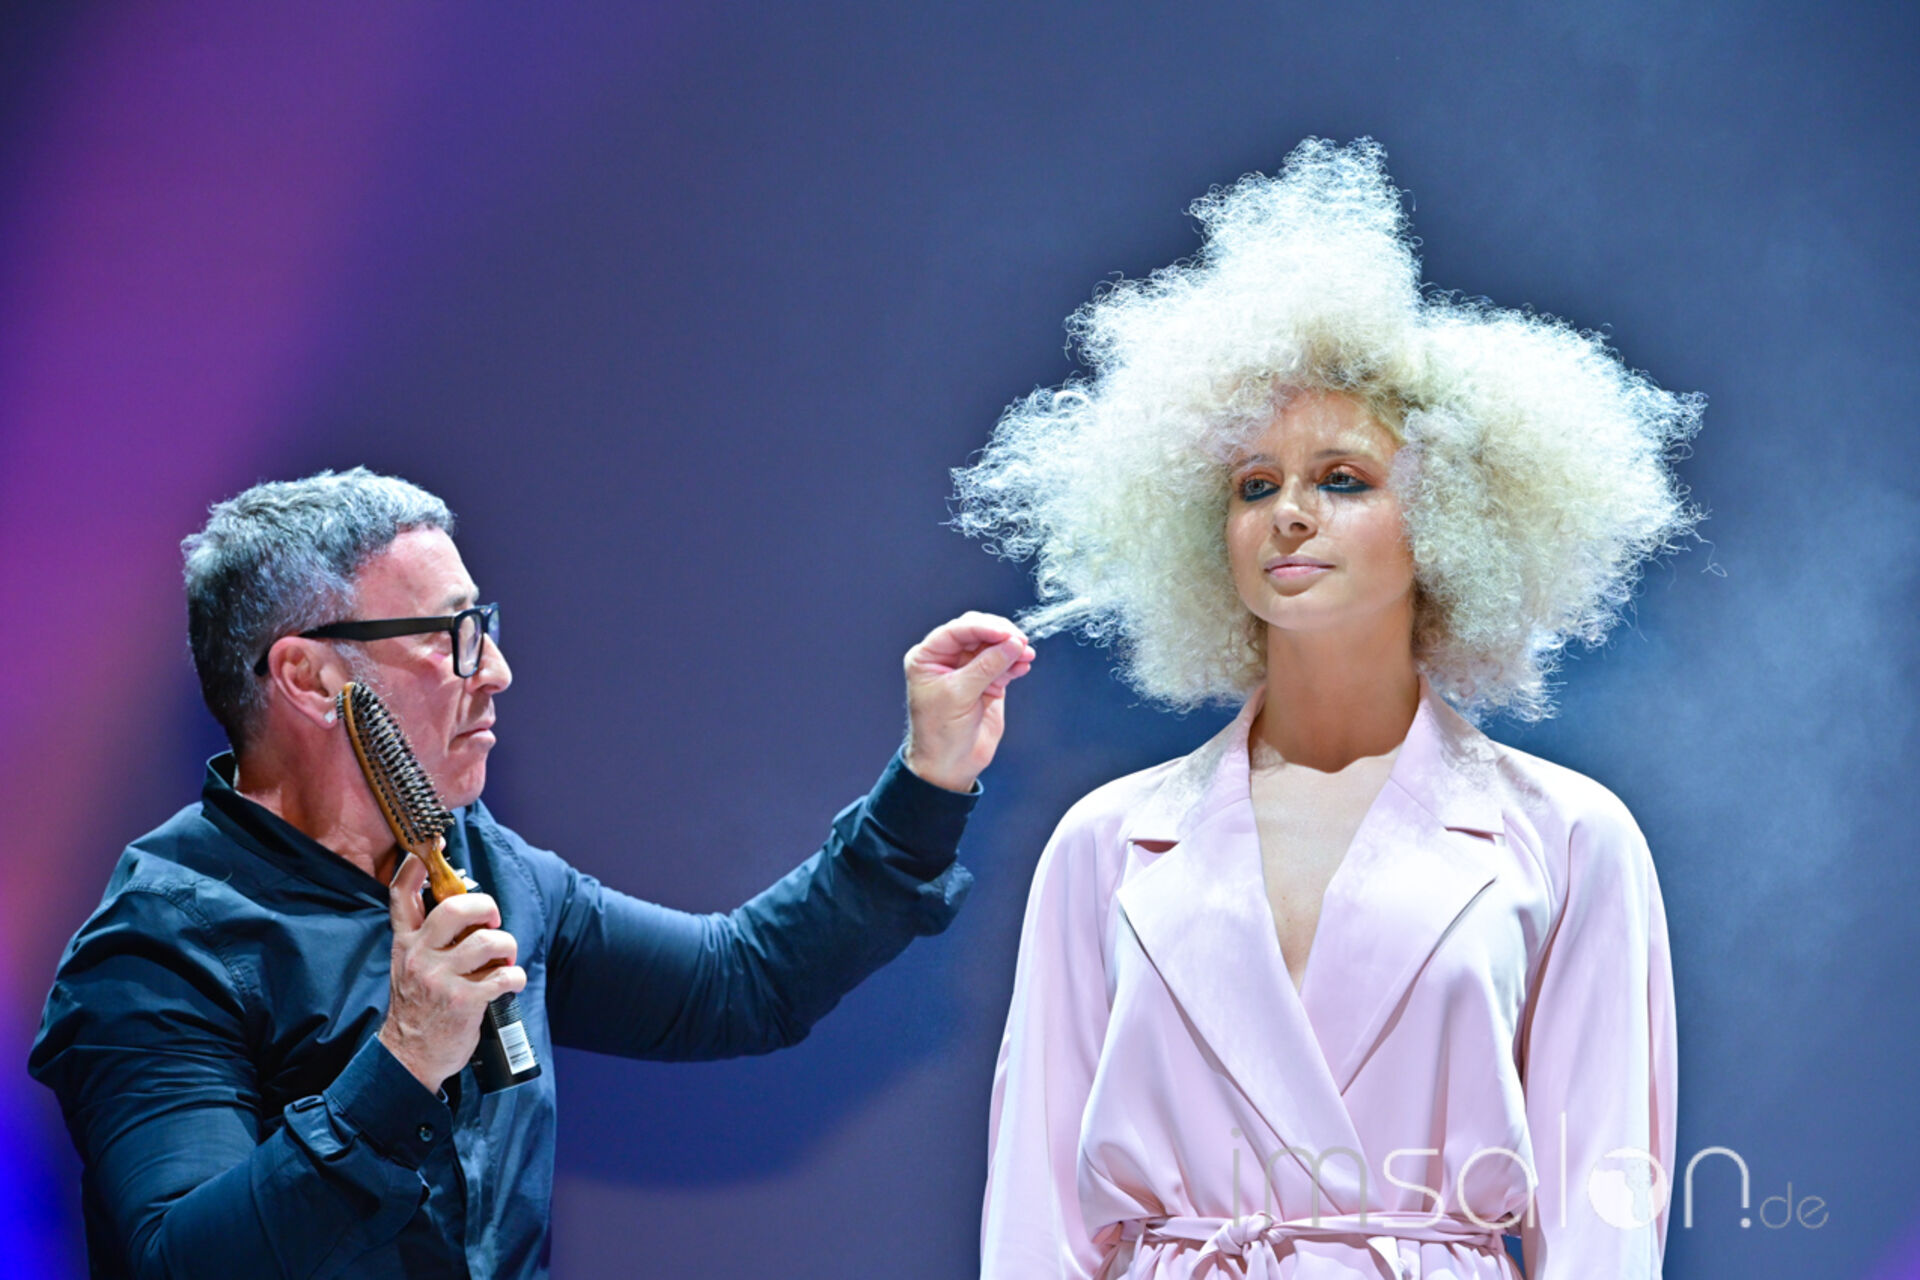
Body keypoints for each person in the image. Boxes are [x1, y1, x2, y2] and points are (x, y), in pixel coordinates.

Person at [958, 139, 1696, 1278]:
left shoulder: (1569, 837)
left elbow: (1605, 1219)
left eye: (1343, 478)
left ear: (1451, 518)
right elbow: (1033, 1222)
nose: (1290, 512)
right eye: (1255, 484)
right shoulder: (1105, 843)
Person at [30, 467, 1035, 1279]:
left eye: (486, 625)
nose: (497, 671)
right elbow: (178, 1261)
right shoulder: (162, 947)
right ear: (309, 676)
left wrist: (929, 777)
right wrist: (403, 1060)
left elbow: (743, 982)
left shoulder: (485, 864)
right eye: (451, 636)